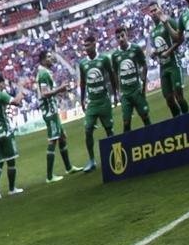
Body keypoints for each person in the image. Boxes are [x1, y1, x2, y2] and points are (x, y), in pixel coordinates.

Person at [36, 50, 84, 183]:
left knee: (62, 137)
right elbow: (45, 93)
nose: (51, 60)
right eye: (49, 58)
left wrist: (60, 92)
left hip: (52, 109)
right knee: (53, 140)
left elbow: (47, 93)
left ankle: (69, 167)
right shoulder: (43, 74)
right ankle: (49, 176)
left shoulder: (44, 72)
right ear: (43, 60)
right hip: (49, 111)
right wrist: (60, 89)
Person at [78, 34, 117, 172]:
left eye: (87, 45)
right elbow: (82, 82)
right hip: (92, 103)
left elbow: (112, 76)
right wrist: (82, 99)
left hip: (104, 100)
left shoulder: (104, 59)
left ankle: (115, 155)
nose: (85, 48)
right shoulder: (82, 63)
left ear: (94, 44)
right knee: (88, 129)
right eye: (84, 46)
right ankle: (92, 160)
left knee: (109, 130)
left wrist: (115, 94)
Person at [149, 2, 189, 117]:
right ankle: (177, 120)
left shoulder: (169, 21)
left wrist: (169, 52)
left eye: (155, 10)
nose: (153, 13)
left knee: (178, 95)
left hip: (173, 64)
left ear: (160, 9)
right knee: (169, 100)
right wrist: (155, 54)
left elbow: (180, 39)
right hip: (163, 68)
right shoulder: (152, 32)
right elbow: (157, 49)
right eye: (151, 11)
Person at [112, 25, 152, 133]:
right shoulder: (115, 55)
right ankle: (128, 147)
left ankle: (153, 139)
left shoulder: (135, 48)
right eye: (118, 37)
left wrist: (143, 83)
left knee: (145, 117)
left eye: (122, 36)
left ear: (126, 35)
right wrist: (118, 91)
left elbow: (144, 65)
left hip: (136, 90)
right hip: (125, 94)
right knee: (126, 122)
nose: (120, 39)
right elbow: (115, 73)